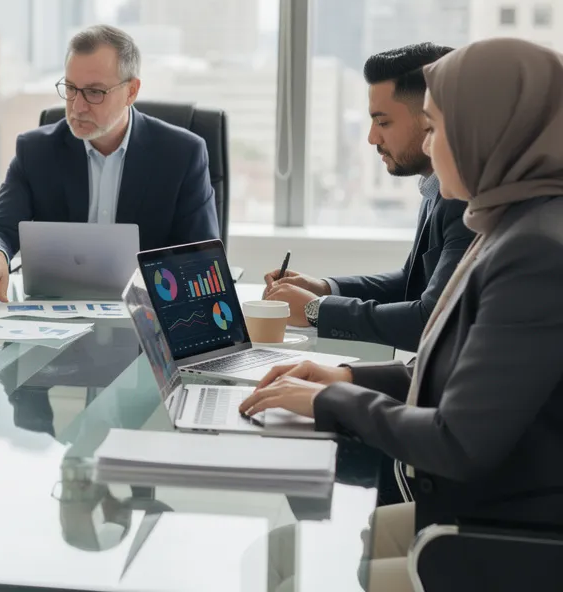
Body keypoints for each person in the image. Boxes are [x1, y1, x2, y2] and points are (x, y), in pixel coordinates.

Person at [239, 37, 563, 592]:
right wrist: (343, 376)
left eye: (435, 128)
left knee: (292, 560)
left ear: (486, 131)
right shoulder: (513, 222)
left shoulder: (536, 250)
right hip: (476, 518)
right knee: (276, 555)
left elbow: (457, 441)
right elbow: (462, 370)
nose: (431, 150)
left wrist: (333, 399)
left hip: (496, 538)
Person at [0, 25, 219, 305]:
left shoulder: (182, 153)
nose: (77, 106)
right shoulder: (36, 151)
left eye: (94, 92)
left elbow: (201, 259)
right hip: (57, 319)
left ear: (131, 91)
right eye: (70, 89)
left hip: (149, 319)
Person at [263, 43, 474, 350]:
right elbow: (411, 283)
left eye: (383, 121)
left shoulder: (466, 199)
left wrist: (316, 310)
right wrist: (324, 288)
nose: (372, 138)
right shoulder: (436, 187)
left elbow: (430, 318)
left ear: (431, 117)